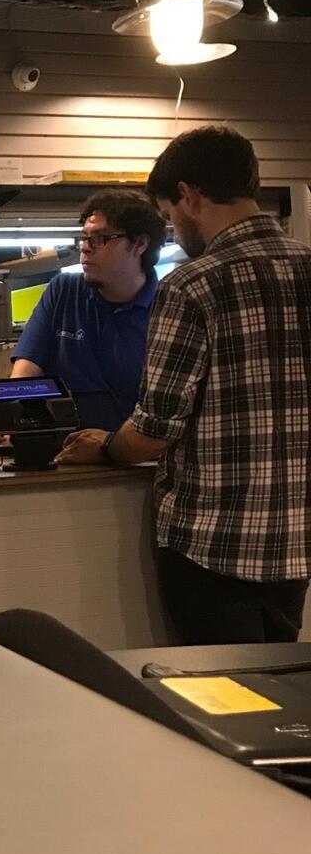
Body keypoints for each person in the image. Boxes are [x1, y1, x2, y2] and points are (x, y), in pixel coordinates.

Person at [57, 126, 311, 645]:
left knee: (215, 689)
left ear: (188, 194)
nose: (174, 231)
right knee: (279, 682)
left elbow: (153, 432)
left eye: (170, 215)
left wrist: (105, 446)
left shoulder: (192, 285)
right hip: (295, 545)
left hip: (211, 546)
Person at [0, 189, 165, 457]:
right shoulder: (64, 291)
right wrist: (6, 424)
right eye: (84, 238)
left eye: (100, 238)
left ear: (139, 244)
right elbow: (27, 368)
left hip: (134, 462)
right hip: (65, 460)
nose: (85, 247)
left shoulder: (168, 308)